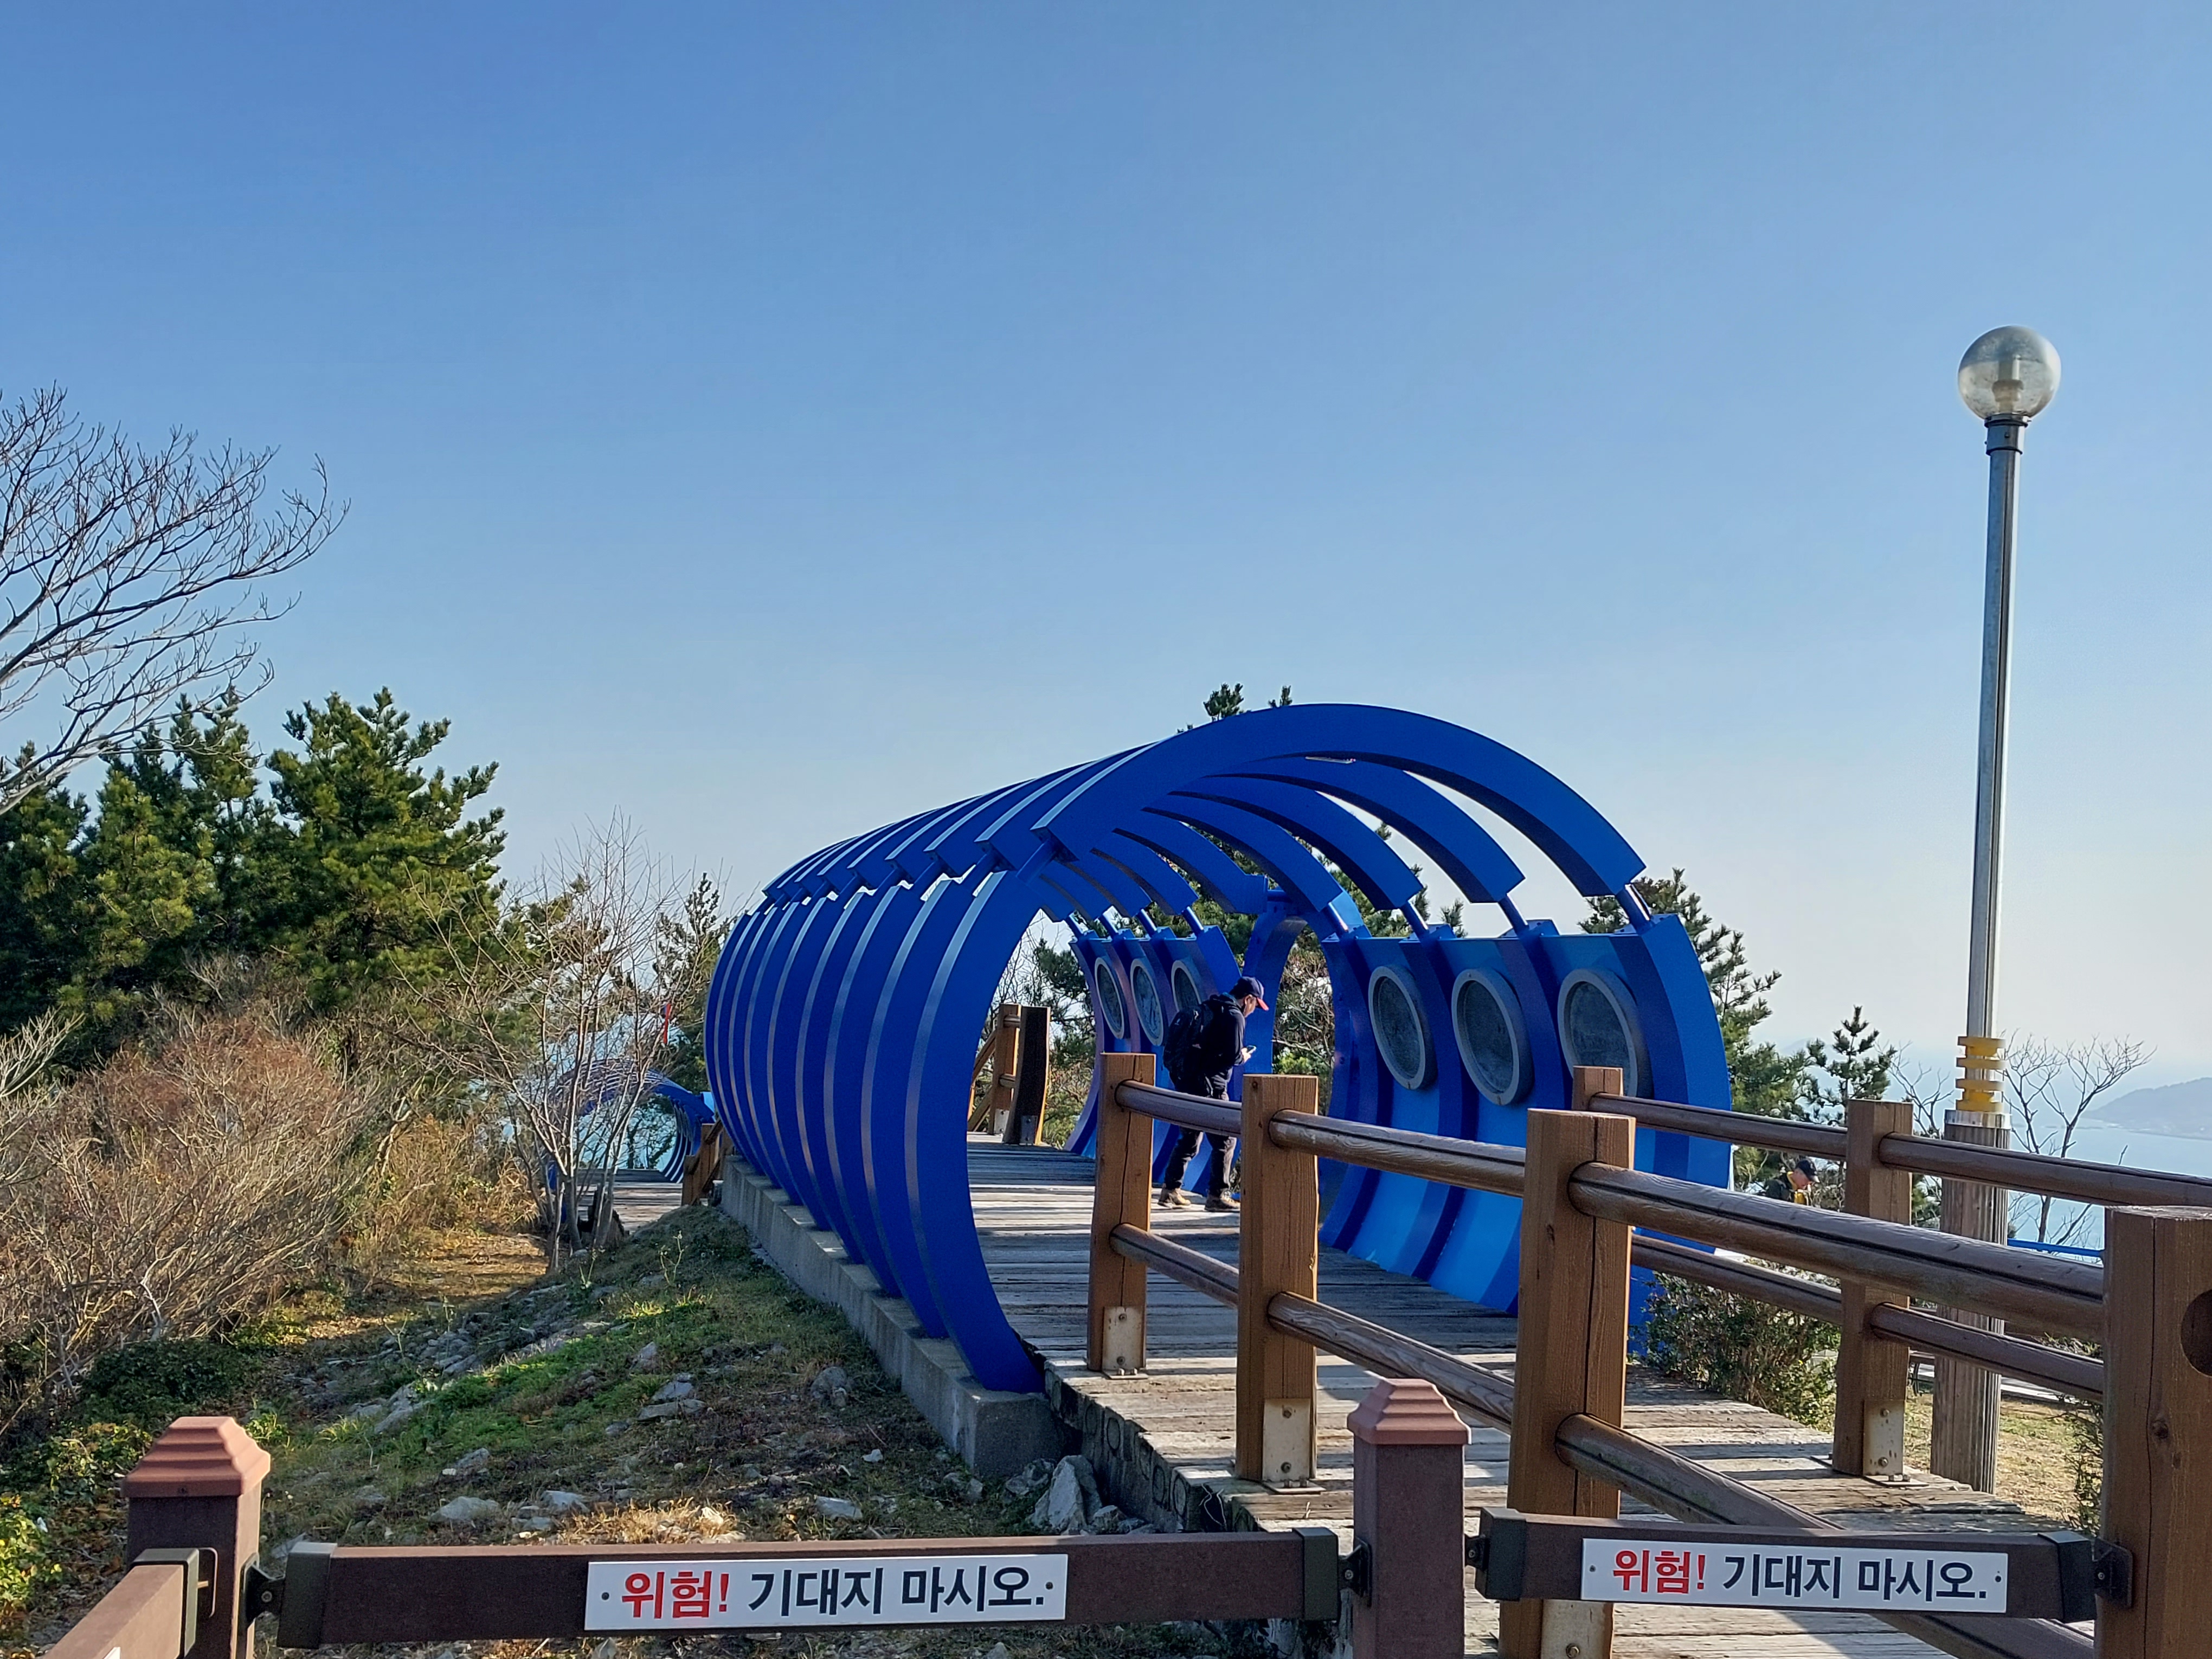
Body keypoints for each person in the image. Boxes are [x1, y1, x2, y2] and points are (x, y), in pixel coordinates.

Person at [1158, 975, 1267, 1212]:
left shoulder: (1212, 1006)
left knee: (1190, 1137)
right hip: (1212, 1087)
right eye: (1255, 1005)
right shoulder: (1235, 1016)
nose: (1253, 1010)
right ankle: (1217, 1196)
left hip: (1190, 1081)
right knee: (1226, 1140)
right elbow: (1232, 1056)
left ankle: (1170, 1190)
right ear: (1248, 999)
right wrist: (1243, 1056)